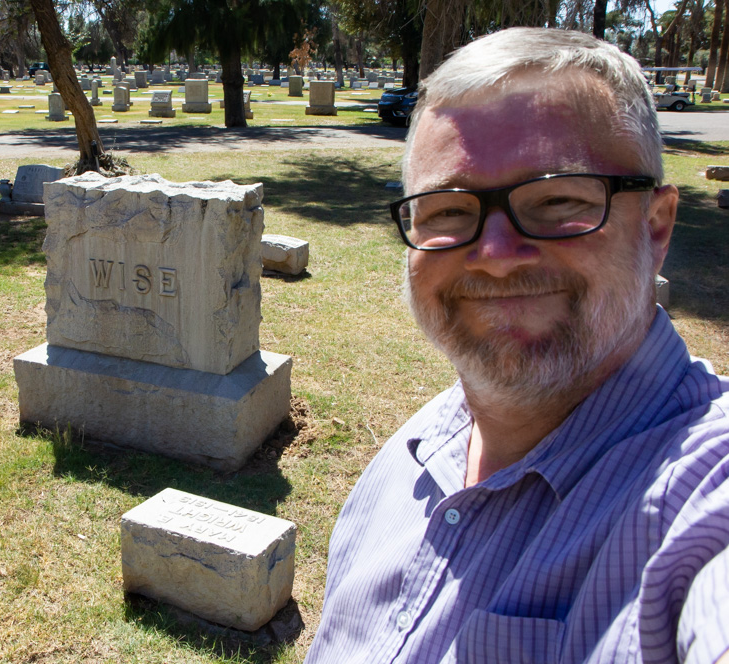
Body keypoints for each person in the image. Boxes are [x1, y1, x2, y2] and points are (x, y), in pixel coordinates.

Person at [304, 27, 729, 664]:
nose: (498, 257)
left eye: (558, 200)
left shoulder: (703, 495)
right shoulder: (408, 459)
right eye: (447, 210)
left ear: (656, 225)